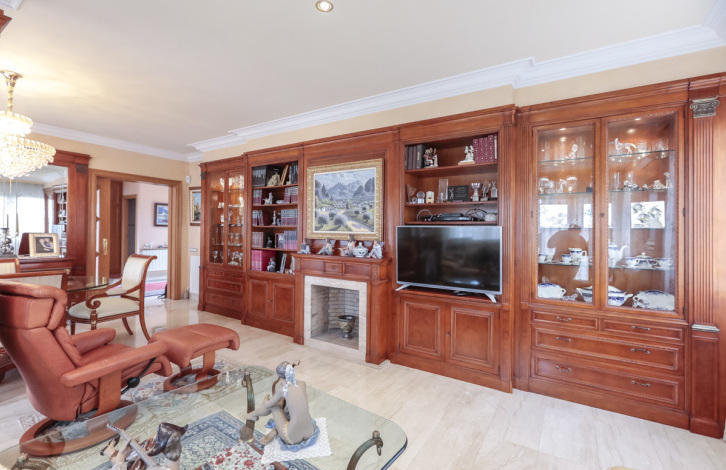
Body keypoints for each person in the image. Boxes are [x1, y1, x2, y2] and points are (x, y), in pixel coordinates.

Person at [246, 361, 316, 446]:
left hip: (292, 438)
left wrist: (266, 399)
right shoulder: (302, 384)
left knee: (274, 406)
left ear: (279, 376)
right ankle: (275, 430)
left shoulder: (283, 390)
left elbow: (268, 405)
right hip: (310, 431)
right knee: (289, 410)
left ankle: (252, 415)